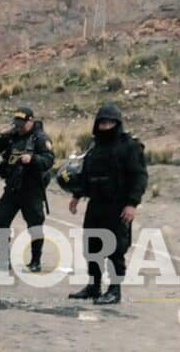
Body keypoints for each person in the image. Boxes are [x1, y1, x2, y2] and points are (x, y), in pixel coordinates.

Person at [67, 103, 147, 305]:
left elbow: (139, 176)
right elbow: (86, 174)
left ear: (117, 123)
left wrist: (132, 204)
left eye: (110, 122)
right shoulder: (95, 147)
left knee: (115, 249)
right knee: (92, 247)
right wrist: (77, 195)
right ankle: (94, 286)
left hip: (118, 206)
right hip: (96, 204)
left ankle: (114, 290)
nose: (106, 126)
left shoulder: (129, 146)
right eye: (102, 122)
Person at [0, 106, 55, 272]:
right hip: (13, 187)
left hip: (32, 189)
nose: (19, 126)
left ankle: (36, 261)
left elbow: (49, 160)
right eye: (17, 122)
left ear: (31, 121)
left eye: (22, 123)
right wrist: (1, 134)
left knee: (35, 225)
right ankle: (3, 258)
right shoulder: (13, 136)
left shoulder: (40, 138)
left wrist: (32, 159)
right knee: (1, 219)